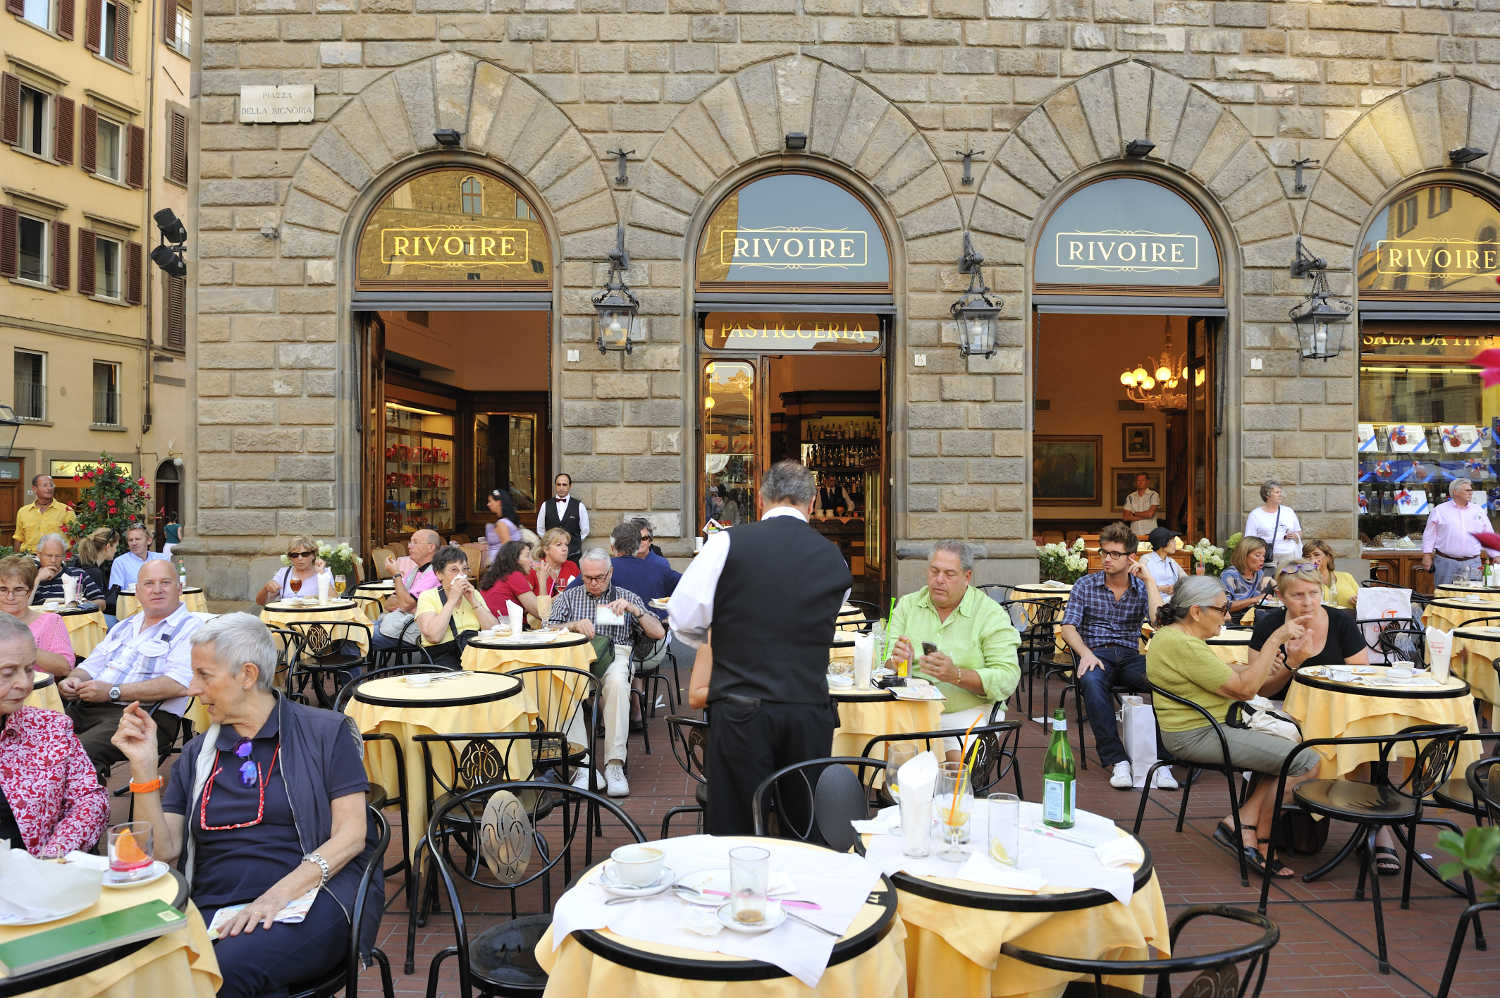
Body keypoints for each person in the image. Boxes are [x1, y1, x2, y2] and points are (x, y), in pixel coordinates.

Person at [110, 613, 384, 998]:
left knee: (223, 972)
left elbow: (352, 835)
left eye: (204, 675)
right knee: (141, 969)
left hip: (313, 895)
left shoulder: (325, 732)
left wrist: (275, 896)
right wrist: (142, 766)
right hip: (211, 903)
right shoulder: (196, 754)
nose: (192, 688)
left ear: (248, 675)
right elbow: (165, 848)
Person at [669, 460, 852, 835]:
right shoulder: (834, 558)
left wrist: (727, 636)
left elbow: (683, 618)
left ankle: (742, 893)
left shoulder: (727, 544)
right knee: (804, 826)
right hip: (807, 709)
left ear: (762, 500)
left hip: (741, 709)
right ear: (813, 503)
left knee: (736, 828)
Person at [1146, 577, 1321, 879]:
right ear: (1197, 612)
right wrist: (1274, 640)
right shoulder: (1181, 643)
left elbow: (1230, 675)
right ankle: (1259, 838)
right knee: (1305, 761)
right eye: (1223, 608)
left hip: (1204, 728)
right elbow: (1244, 690)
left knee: (1284, 751)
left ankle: (1243, 823)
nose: (1228, 616)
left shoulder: (1175, 638)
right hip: (1197, 735)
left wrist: (1279, 664)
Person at [1059, 520, 1177, 790]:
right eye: (1104, 552)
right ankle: (1118, 760)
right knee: (1091, 681)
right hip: (1097, 654)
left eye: (1115, 554)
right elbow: (1067, 627)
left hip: (1128, 655)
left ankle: (1163, 762)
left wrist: (1149, 581)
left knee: (1165, 679)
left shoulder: (1140, 586)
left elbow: (1160, 623)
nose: (1107, 558)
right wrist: (1086, 653)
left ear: (1131, 558)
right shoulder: (1085, 584)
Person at [60, 560, 202, 779]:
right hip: (88, 707)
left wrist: (112, 691)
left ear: (179, 588)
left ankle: (83, 811)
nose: (157, 589)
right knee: (33, 740)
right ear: (137, 591)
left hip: (145, 716)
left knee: (76, 754)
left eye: (165, 582)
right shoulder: (126, 625)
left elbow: (179, 684)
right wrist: (74, 679)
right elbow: (91, 665)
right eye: (148, 583)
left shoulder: (192, 629)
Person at [887, 540, 1021, 761]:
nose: (939, 580)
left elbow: (1007, 677)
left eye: (949, 574)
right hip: (910, 710)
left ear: (967, 577)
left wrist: (956, 675)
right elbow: (883, 659)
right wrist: (895, 661)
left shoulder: (989, 614)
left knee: (953, 769)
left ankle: (958, 791)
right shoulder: (908, 605)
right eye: (934, 571)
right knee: (890, 761)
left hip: (967, 711)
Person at [548, 549, 665, 798]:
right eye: (588, 577)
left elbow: (658, 633)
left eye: (599, 577)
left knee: (617, 682)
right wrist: (572, 625)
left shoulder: (625, 596)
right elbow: (547, 629)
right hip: (577, 655)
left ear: (610, 573)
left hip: (616, 653)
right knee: (560, 684)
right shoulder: (569, 597)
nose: (593, 583)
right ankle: (582, 765)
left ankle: (614, 765)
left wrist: (635, 610)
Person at [0, 614, 109, 857]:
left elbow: (90, 801)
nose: (24, 684)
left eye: (28, 670)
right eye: (8, 672)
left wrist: (53, 857)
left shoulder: (51, 727)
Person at [1248, 562, 1367, 697]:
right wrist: (1291, 664)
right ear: (1281, 596)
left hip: (1334, 708)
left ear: (1321, 591)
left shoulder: (1342, 623)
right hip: (1278, 711)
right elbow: (1257, 690)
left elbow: (1361, 678)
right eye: (1297, 595)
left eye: (1314, 593)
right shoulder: (1267, 627)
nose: (1307, 602)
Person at [569, 523, 680, 621]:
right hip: (653, 635)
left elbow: (568, 595)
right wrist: (669, 619)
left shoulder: (600, 569)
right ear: (638, 546)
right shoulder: (660, 570)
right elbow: (691, 590)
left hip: (611, 634)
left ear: (612, 548)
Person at [415, 546, 498, 667]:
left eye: (464, 569)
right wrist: (452, 600)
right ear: (439, 574)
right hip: (442, 657)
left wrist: (474, 602)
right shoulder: (428, 596)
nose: (461, 575)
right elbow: (433, 637)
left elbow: (493, 631)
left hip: (474, 653)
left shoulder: (473, 594)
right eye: (454, 570)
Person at [0, 555, 75, 678]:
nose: (10, 597)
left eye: (18, 590)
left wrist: (25, 646)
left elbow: (64, 668)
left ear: (29, 591)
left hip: (36, 694)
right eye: (3, 589)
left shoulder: (51, 621)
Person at [369, 529, 440, 652]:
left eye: (415, 542)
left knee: (352, 636)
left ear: (431, 547)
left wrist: (396, 575)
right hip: (397, 623)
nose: (409, 546)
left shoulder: (435, 573)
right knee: (351, 629)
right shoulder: (415, 571)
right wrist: (407, 601)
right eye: (410, 542)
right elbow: (388, 604)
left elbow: (405, 603)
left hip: (412, 631)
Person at [1421, 479, 1497, 586]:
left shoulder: (1478, 510)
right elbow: (1429, 535)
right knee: (1444, 597)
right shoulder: (1439, 510)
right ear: (1455, 492)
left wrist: (1496, 555)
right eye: (1467, 490)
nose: (1471, 492)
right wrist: (1427, 555)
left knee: (1472, 597)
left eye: (1471, 490)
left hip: (1473, 562)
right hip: (1445, 562)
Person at [31, 533, 105, 610]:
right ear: (38, 554)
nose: (53, 560)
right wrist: (37, 579)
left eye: (58, 556)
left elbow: (102, 603)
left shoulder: (78, 574)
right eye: (49, 555)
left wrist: (85, 604)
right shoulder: (29, 576)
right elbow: (23, 607)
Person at [255, 536, 333, 607]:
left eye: (305, 554)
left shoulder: (324, 572)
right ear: (290, 557)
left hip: (315, 618)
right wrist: (266, 588)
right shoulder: (284, 573)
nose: (300, 558)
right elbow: (260, 602)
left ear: (313, 555)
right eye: (295, 555)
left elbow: (334, 600)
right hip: (288, 619)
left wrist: (321, 574)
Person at [1244, 481, 1302, 571]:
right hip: (1267, 556)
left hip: (1288, 554)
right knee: (1269, 582)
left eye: (1281, 492)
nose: (1280, 495)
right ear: (1267, 495)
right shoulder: (1255, 515)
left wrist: (1295, 535)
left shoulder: (1288, 511)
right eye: (1277, 492)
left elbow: (1299, 532)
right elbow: (1249, 539)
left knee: (1287, 582)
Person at [13, 474, 77, 554]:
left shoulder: (66, 510)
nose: (49, 488)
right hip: (30, 558)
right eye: (44, 485)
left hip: (56, 557)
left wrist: (68, 558)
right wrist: (19, 559)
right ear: (34, 489)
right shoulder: (23, 512)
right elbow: (18, 538)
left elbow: (76, 536)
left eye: (51, 485)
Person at [479, 540, 540, 620]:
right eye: (527, 556)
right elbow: (539, 613)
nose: (531, 560)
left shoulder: (497, 575)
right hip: (508, 628)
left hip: (493, 626)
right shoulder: (515, 575)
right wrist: (542, 580)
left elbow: (525, 609)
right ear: (514, 559)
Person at [536, 473, 588, 563]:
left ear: (570, 486)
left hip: (573, 555)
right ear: (555, 486)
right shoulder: (546, 505)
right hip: (551, 557)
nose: (561, 488)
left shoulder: (579, 506)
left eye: (564, 485)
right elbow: (540, 529)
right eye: (558, 484)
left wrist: (572, 543)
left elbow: (585, 530)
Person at [1220, 536, 1273, 614]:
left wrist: (1271, 581)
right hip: (1233, 621)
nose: (1262, 559)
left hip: (1252, 618)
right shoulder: (1229, 575)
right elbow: (1224, 606)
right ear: (1244, 556)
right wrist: (1254, 600)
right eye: (1257, 555)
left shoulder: (1259, 574)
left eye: (1263, 555)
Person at [108, 524, 169, 590]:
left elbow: (169, 585)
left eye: (138, 539)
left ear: (149, 540)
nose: (134, 543)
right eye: (130, 540)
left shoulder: (162, 559)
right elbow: (115, 592)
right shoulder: (120, 562)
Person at [1304, 539, 1359, 609]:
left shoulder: (1346, 576)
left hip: (1350, 617)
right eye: (1307, 556)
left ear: (1328, 558)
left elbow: (1363, 601)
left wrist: (1356, 601)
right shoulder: (1305, 580)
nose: (1312, 559)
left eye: (1316, 555)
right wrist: (1311, 571)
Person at [530, 527, 579, 600]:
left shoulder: (571, 566)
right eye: (559, 545)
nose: (564, 549)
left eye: (566, 544)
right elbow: (527, 606)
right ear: (546, 549)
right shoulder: (533, 569)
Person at [1140, 527, 1186, 595]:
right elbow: (1138, 584)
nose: (1175, 544)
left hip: (1173, 600)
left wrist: (1176, 588)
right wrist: (1159, 588)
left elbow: (1186, 580)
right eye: (1172, 541)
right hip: (1152, 601)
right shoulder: (1146, 559)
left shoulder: (1171, 561)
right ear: (1162, 543)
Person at [72, 527, 119, 594]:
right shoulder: (94, 573)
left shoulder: (80, 563)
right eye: (116, 546)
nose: (116, 550)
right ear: (108, 547)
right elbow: (97, 601)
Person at [484, 489, 522, 562]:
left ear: (498, 502)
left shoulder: (502, 524)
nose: (488, 504)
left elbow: (507, 549)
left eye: (490, 501)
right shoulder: (509, 521)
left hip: (501, 566)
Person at [1121, 472, 1160, 539]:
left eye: (1143, 480)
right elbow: (1126, 517)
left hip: (1150, 533)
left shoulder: (1153, 495)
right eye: (1138, 480)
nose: (1140, 482)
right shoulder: (1130, 497)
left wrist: (1133, 513)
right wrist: (1145, 515)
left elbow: (1150, 514)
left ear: (1147, 481)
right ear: (1136, 482)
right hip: (1134, 534)